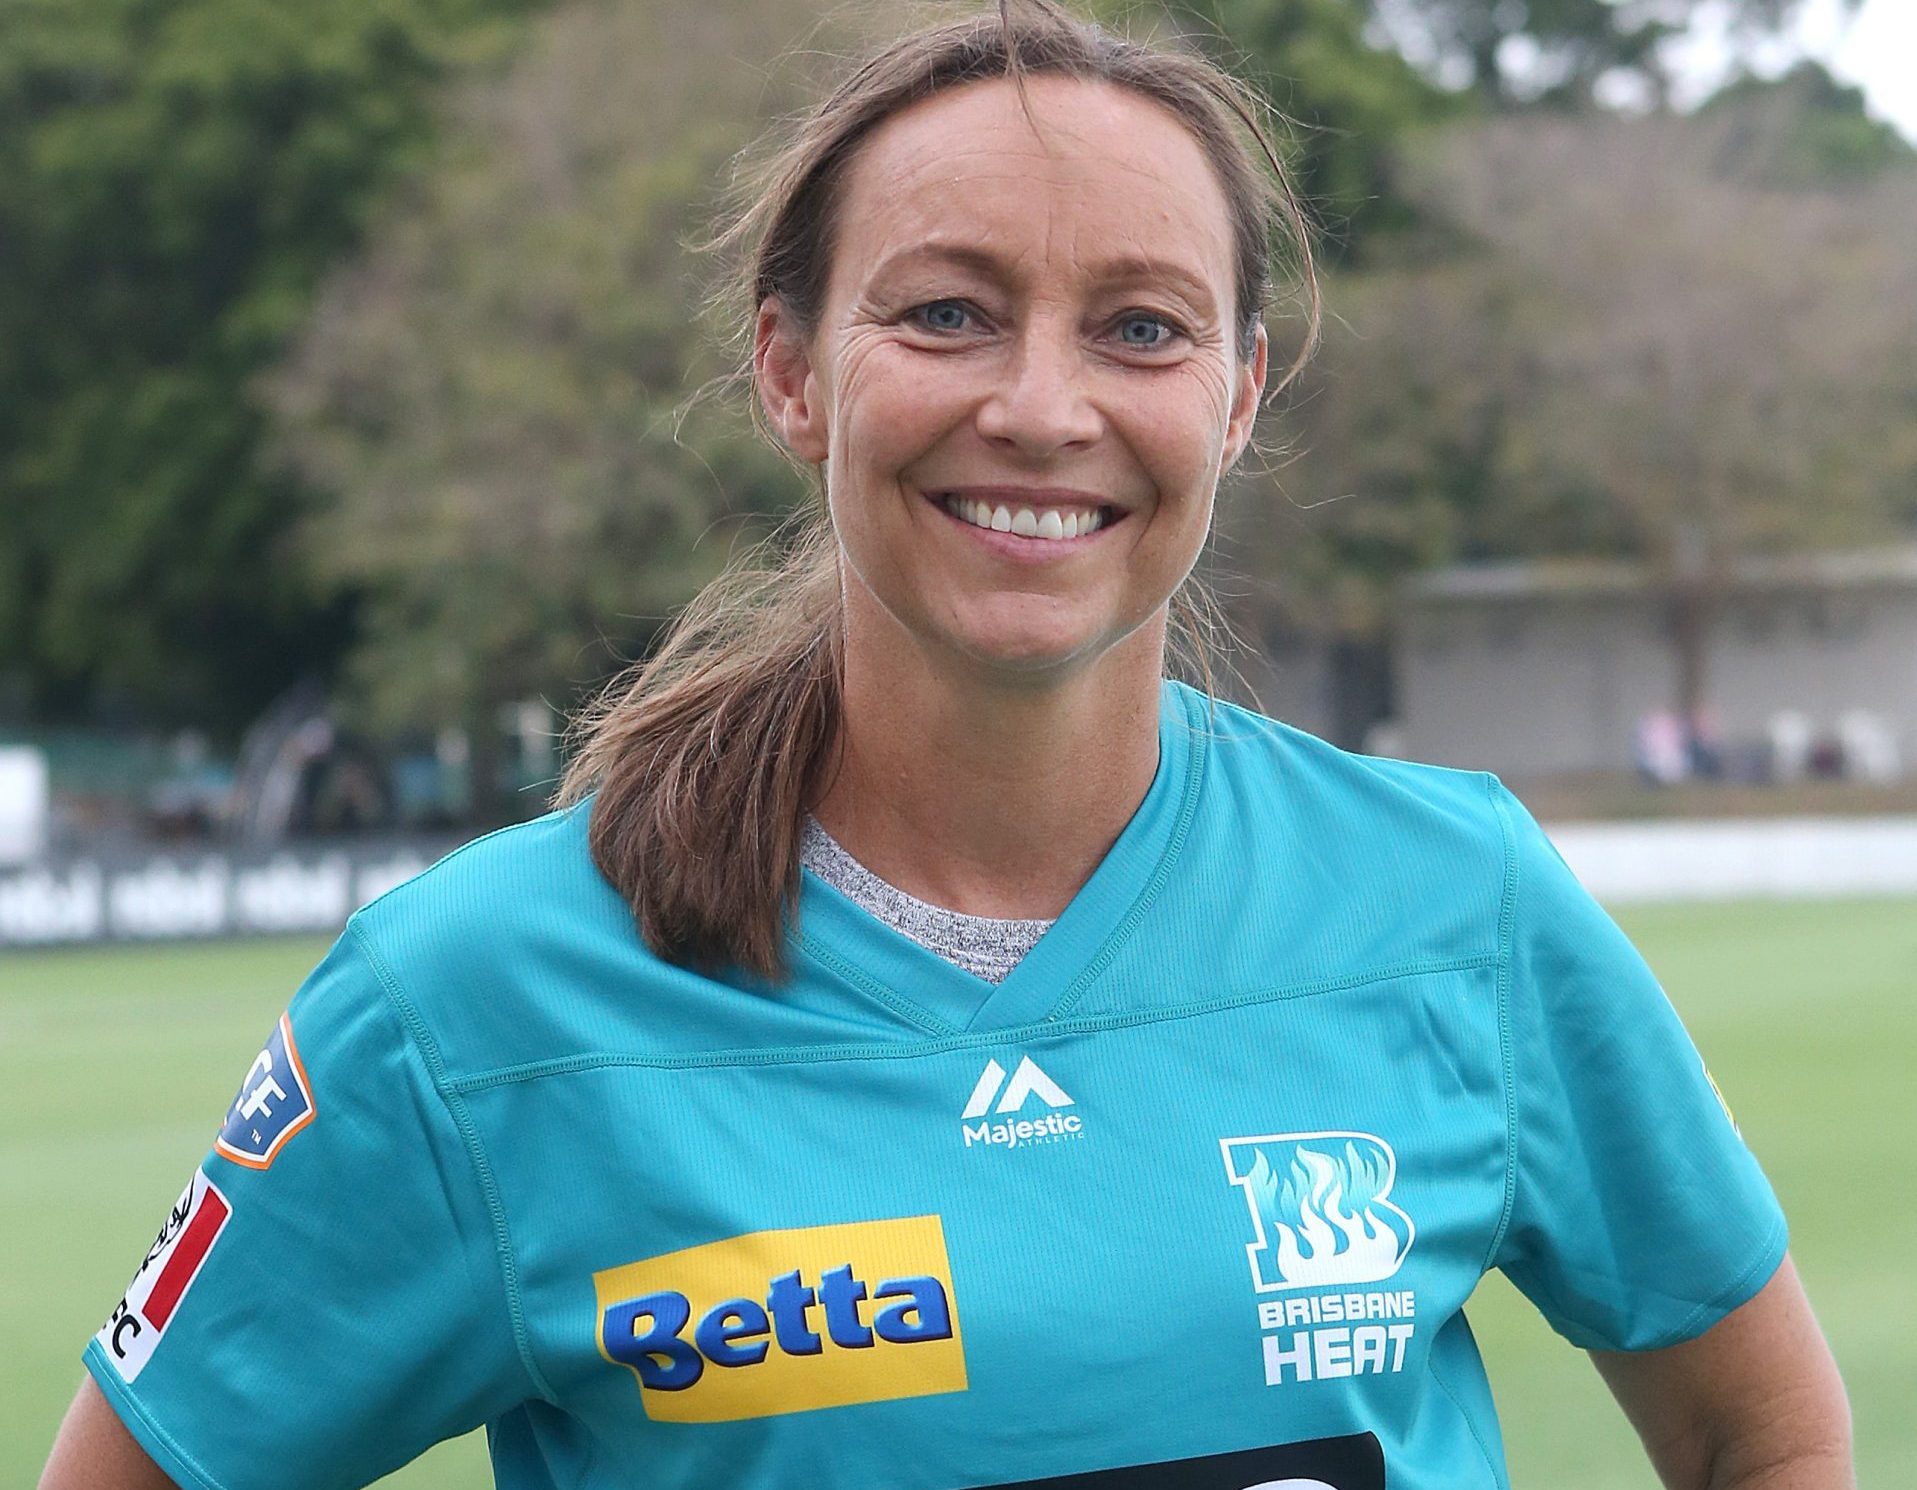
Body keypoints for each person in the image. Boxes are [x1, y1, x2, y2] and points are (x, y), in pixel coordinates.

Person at [41, 3, 1852, 1488]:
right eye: (946, 313)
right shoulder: (471, 1000)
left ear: (1235, 395)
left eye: (1139, 329)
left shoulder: (1459, 901)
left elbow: (1758, 1434)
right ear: (789, 368)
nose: (1040, 408)